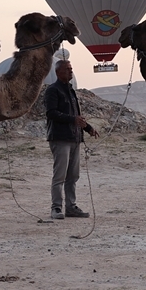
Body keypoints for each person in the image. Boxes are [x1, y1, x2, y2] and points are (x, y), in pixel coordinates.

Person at [45, 60, 98, 220]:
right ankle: (56, 208)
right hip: (60, 138)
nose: (70, 71)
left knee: (73, 176)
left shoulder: (71, 91)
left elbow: (76, 116)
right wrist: (73, 120)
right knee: (59, 176)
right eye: (67, 69)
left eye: (71, 69)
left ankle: (71, 207)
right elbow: (51, 113)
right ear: (58, 72)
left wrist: (88, 128)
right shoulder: (52, 90)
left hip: (75, 138)